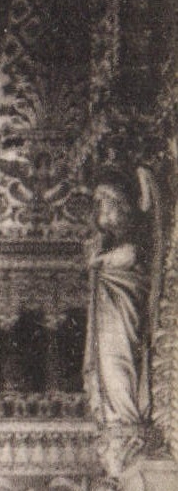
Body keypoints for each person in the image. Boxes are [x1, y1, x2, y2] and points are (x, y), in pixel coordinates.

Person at [83, 174, 156, 426]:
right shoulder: (107, 243)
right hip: (108, 311)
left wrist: (99, 261)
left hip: (123, 309)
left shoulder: (132, 244)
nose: (99, 207)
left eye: (104, 200)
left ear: (117, 203)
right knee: (109, 362)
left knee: (118, 361)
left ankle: (125, 414)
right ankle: (118, 415)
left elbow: (128, 259)